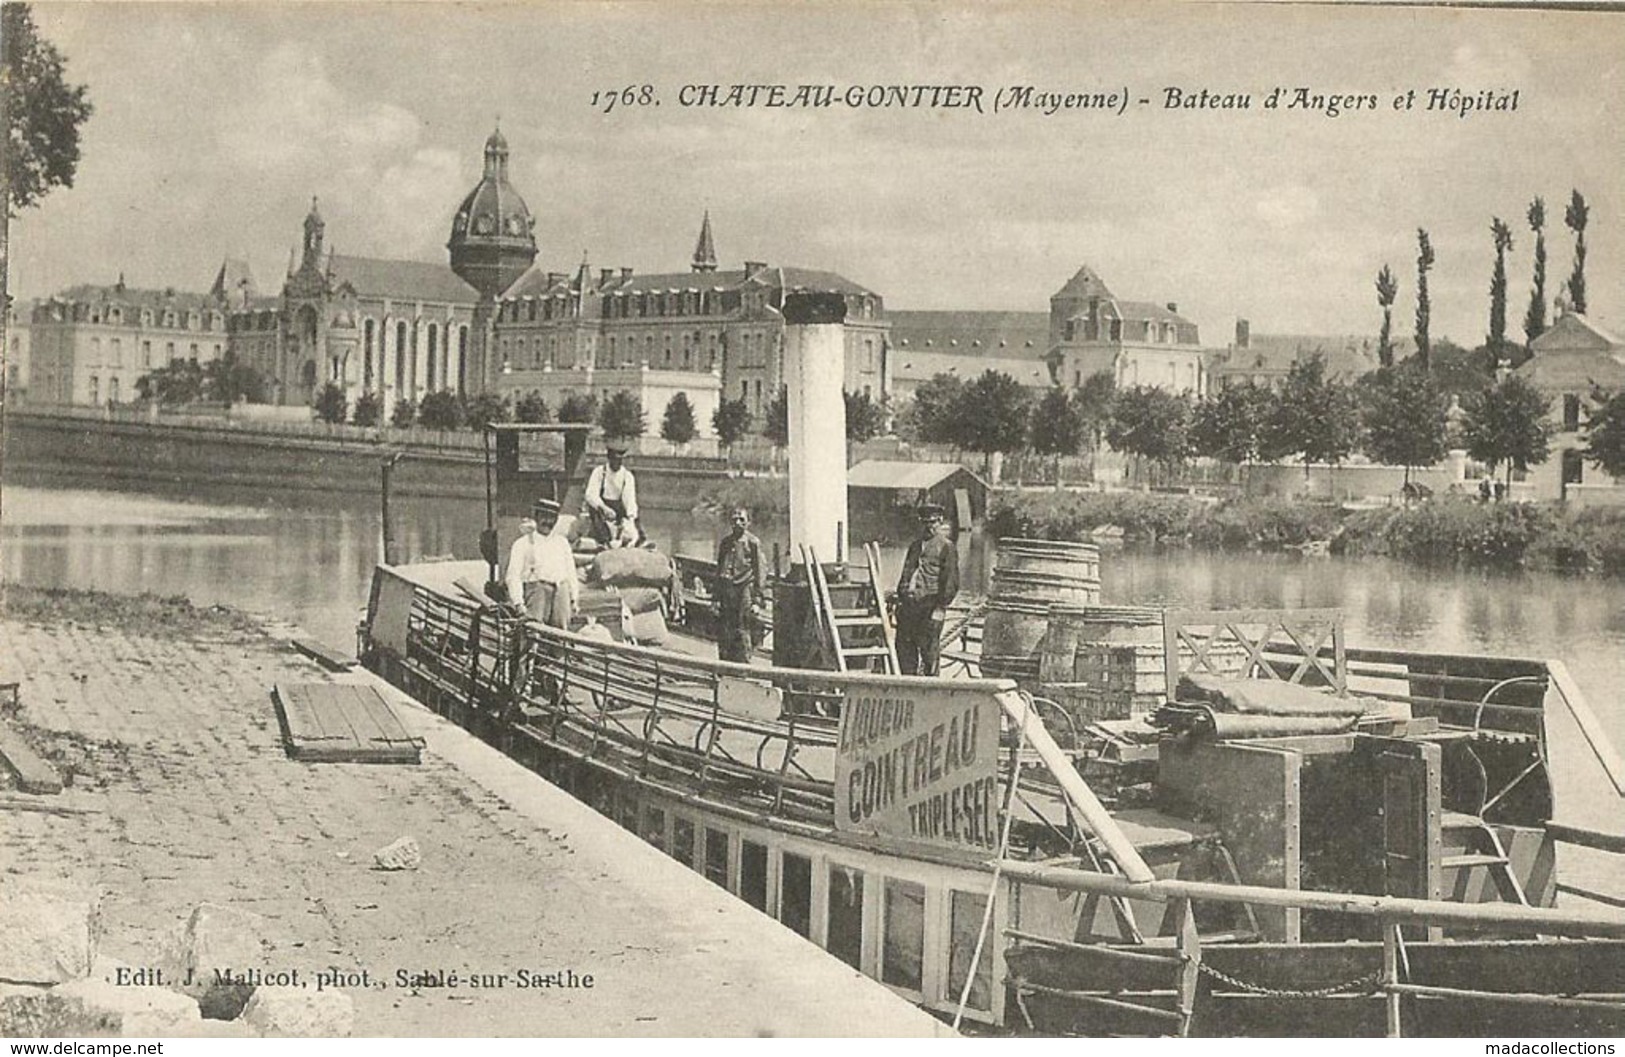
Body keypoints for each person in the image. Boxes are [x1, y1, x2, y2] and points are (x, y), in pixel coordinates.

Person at [894, 503, 959, 676]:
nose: (929, 527)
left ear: (940, 522)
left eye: (933, 523)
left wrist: (940, 607)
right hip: (909, 606)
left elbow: (951, 582)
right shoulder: (914, 546)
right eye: (925, 523)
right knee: (905, 648)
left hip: (930, 607)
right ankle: (909, 686)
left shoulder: (947, 547)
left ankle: (932, 690)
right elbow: (906, 573)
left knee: (929, 653)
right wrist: (900, 595)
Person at [503, 499, 579, 628]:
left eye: (552, 518)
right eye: (544, 517)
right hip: (537, 594)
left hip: (560, 593)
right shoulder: (522, 544)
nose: (548, 522)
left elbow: (571, 573)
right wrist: (518, 603)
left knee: (561, 636)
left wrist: (574, 599)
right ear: (536, 517)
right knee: (533, 633)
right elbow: (513, 576)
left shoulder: (561, 543)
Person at [714, 507, 765, 664]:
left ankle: (744, 665)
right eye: (734, 519)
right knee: (725, 628)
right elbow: (719, 569)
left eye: (741, 519)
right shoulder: (725, 543)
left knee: (742, 627)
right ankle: (725, 664)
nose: (737, 523)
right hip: (727, 589)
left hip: (744, 589)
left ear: (748, 523)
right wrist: (715, 597)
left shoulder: (753, 543)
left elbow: (760, 572)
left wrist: (757, 600)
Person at [583, 443, 640, 548]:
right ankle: (604, 543)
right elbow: (590, 495)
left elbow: (629, 500)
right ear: (609, 458)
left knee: (636, 534)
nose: (617, 463)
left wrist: (631, 520)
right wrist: (604, 508)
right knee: (600, 527)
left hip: (618, 512)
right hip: (601, 511)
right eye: (614, 460)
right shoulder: (599, 472)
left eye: (620, 460)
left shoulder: (627, 476)